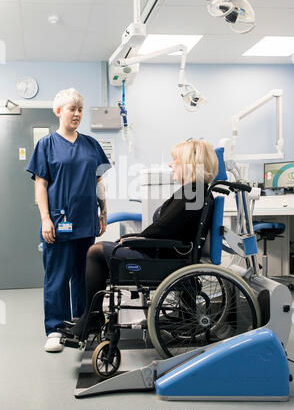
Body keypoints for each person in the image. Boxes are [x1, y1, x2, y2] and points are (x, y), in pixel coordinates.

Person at [61, 138, 218, 342]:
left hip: (165, 259)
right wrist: (134, 238)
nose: (171, 164)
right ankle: (91, 316)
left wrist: (134, 239)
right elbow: (166, 227)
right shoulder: (193, 191)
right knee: (102, 249)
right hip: (166, 255)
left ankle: (92, 318)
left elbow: (163, 228)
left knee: (95, 251)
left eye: (175, 159)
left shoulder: (193, 192)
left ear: (189, 163)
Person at [26, 88, 111, 352]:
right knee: (57, 276)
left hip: (86, 221)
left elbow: (99, 182)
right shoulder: (46, 145)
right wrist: (45, 219)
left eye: (80, 109)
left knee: (84, 275)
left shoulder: (90, 145)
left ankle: (83, 325)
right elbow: (41, 185)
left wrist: (103, 211)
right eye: (71, 109)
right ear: (59, 111)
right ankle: (55, 329)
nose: (76, 114)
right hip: (58, 222)